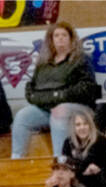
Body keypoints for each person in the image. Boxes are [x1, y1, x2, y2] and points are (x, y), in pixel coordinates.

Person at [11, 21, 99, 159]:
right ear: (51, 40)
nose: (60, 38)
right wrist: (54, 97)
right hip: (47, 109)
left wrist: (57, 96)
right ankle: (16, 160)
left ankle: (61, 161)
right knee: (22, 116)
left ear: (71, 38)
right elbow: (31, 91)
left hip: (79, 109)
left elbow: (86, 89)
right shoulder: (43, 63)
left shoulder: (81, 60)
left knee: (59, 111)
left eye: (64, 35)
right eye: (56, 35)